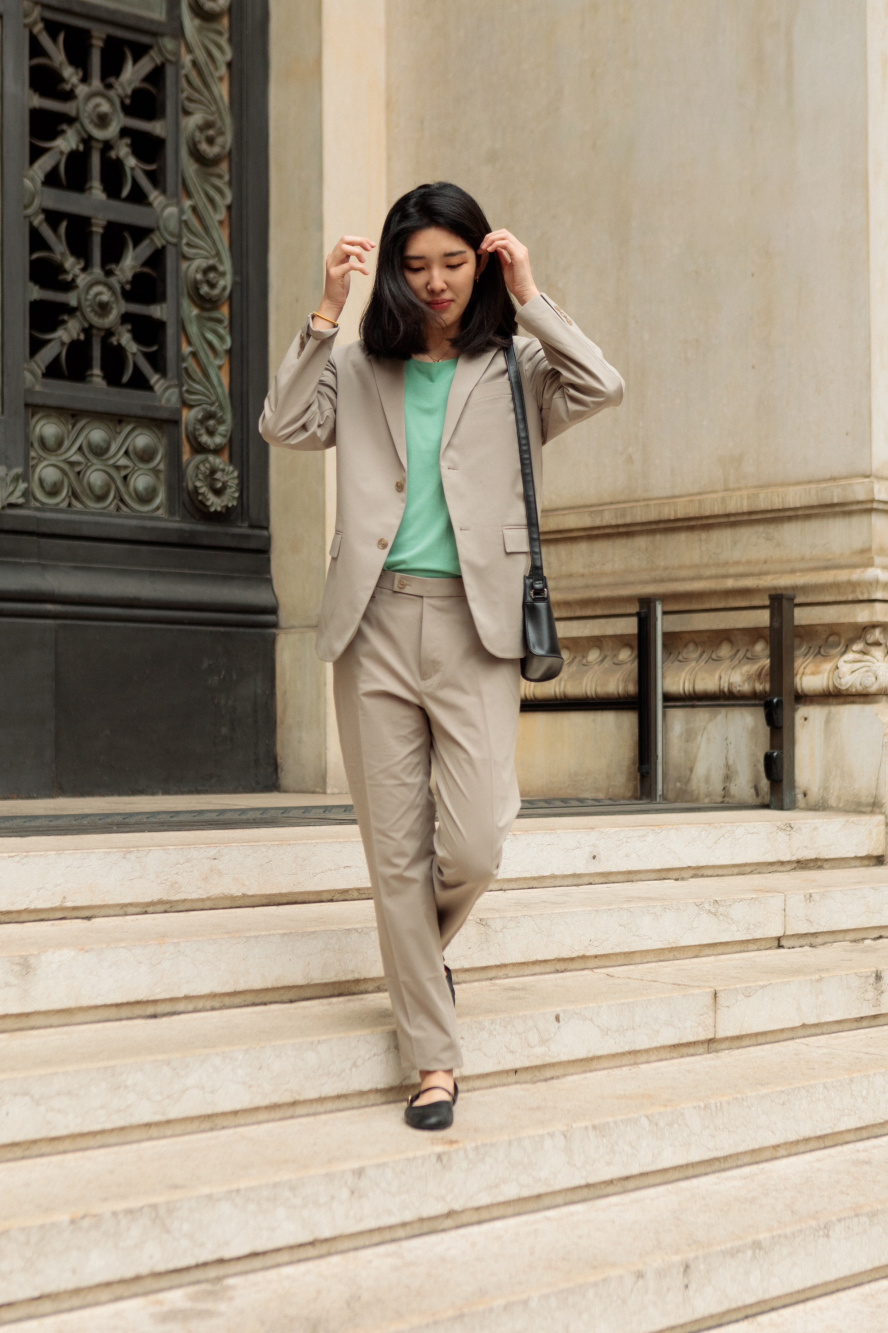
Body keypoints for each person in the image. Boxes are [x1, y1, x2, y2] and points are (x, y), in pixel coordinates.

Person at [260, 181, 623, 1131]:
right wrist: (322, 313)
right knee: (394, 856)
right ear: (392, 269)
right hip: (372, 624)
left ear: (483, 261)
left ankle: (418, 956)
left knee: (473, 842)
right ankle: (433, 1061)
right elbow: (283, 425)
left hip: (476, 625)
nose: (434, 284)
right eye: (415, 267)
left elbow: (603, 384)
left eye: (454, 264)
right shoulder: (356, 365)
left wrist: (533, 295)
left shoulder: (517, 368)